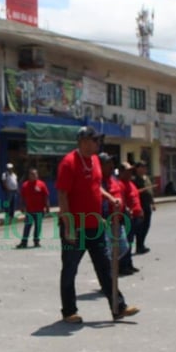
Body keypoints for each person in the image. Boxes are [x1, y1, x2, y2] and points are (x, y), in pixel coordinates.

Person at [56, 126, 139, 323]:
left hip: (95, 225)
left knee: (105, 266)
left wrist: (110, 198)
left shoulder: (94, 161)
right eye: (94, 140)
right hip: (75, 226)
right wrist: (68, 226)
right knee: (70, 268)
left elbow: (95, 187)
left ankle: (118, 307)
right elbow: (62, 195)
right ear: (84, 141)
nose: (97, 143)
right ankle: (69, 311)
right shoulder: (68, 163)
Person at [117, 162, 143, 276]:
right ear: (121, 172)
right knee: (126, 242)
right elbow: (122, 201)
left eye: (130, 171)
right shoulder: (120, 184)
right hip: (128, 218)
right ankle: (123, 266)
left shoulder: (130, 183)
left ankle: (129, 264)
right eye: (127, 171)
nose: (130, 173)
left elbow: (135, 197)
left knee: (130, 242)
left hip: (136, 217)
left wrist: (140, 210)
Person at [17, 167, 50, 248]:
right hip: (29, 210)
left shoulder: (41, 184)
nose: (35, 176)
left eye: (36, 174)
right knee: (27, 226)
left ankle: (36, 241)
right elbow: (22, 197)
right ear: (29, 175)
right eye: (32, 174)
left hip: (39, 210)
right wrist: (21, 206)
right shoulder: (25, 185)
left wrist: (47, 207)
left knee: (38, 227)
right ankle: (24, 242)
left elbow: (46, 196)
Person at [133, 161, 154, 254]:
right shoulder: (134, 179)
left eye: (144, 167)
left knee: (146, 225)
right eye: (141, 167)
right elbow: (132, 192)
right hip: (139, 205)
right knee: (140, 227)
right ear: (136, 169)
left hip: (147, 204)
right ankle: (139, 246)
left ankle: (142, 244)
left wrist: (153, 203)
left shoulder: (146, 178)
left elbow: (150, 191)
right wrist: (140, 191)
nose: (143, 169)